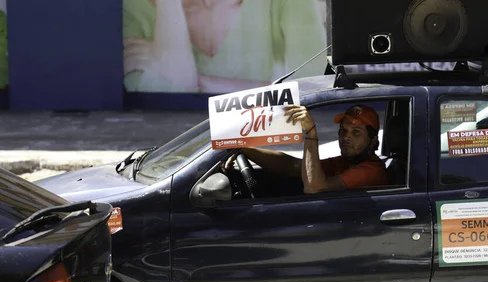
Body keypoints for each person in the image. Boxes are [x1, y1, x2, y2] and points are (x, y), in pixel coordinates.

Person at [123, 0, 327, 93]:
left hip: (265, 136)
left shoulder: (290, 3)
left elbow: (310, 90)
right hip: (171, 142)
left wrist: (196, 79)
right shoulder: (135, 8)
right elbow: (144, 85)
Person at [227, 104, 390, 194]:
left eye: (356, 132)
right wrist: (244, 148)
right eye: (343, 131)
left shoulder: (370, 171)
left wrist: (311, 133)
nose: (346, 137)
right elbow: (294, 166)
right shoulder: (346, 162)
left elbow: (314, 187)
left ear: (373, 140)